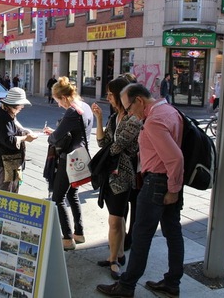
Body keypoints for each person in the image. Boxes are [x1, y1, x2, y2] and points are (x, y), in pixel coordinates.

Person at [97, 82, 184, 298]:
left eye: (129, 107)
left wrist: (172, 189)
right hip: (166, 181)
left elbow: (175, 158)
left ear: (139, 101)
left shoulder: (154, 120)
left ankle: (126, 286)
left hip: (157, 182)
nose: (129, 112)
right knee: (173, 232)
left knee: (141, 235)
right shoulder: (170, 110)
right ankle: (172, 282)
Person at [91, 76, 142, 280]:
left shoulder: (133, 120)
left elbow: (116, 146)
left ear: (122, 95)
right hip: (110, 177)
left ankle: (113, 260)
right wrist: (99, 119)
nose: (108, 98)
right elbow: (102, 143)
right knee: (117, 219)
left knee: (114, 220)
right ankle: (118, 255)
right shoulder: (114, 118)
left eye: (111, 94)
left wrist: (103, 156)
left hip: (123, 177)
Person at [43, 76, 93, 251]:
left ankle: (67, 238)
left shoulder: (72, 111)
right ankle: (79, 233)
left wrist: (51, 134)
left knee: (58, 199)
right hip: (81, 156)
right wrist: (56, 131)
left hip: (68, 159)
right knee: (72, 194)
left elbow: (55, 137)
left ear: (64, 98)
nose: (58, 105)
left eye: (58, 101)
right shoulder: (85, 107)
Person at [0, 87, 37, 193]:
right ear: (13, 105)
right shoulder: (3, 116)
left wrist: (25, 131)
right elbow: (8, 140)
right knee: (5, 192)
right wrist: (26, 138)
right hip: (4, 161)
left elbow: (16, 126)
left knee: (13, 189)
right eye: (21, 105)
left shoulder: (7, 112)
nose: (22, 107)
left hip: (11, 160)